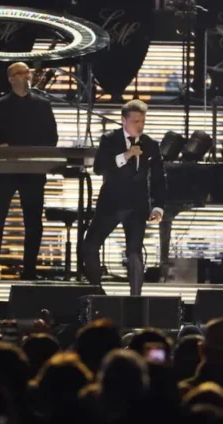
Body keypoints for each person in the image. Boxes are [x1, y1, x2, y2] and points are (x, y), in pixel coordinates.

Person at [0, 62, 58, 280]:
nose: (26, 75)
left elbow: (52, 137)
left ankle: (30, 268)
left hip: (33, 169)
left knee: (33, 219)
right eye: (21, 73)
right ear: (11, 78)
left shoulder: (42, 104)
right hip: (6, 169)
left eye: (27, 72)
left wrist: (38, 150)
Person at [82, 100, 166, 296]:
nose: (140, 125)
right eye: (136, 121)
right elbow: (99, 167)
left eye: (143, 121)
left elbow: (158, 179)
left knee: (134, 251)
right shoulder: (109, 139)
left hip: (137, 206)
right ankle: (96, 291)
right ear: (124, 120)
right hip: (111, 203)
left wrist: (158, 207)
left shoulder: (151, 145)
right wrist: (126, 155)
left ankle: (135, 296)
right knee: (90, 245)